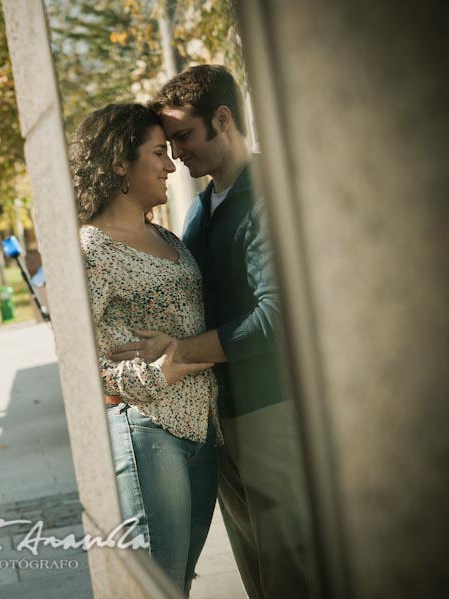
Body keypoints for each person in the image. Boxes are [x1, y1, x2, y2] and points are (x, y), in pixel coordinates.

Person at [111, 65, 315, 598]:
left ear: (223, 119)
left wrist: (178, 351)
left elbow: (277, 317)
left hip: (274, 414)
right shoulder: (202, 206)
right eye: (168, 143)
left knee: (296, 572)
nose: (176, 155)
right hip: (222, 422)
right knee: (260, 576)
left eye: (183, 136)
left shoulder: (272, 193)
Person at [70, 103, 220, 596]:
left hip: (202, 436)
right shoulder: (90, 250)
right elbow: (80, 371)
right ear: (119, 162)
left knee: (180, 582)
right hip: (148, 437)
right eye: (158, 152)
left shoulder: (166, 236)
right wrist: (164, 372)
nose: (171, 165)